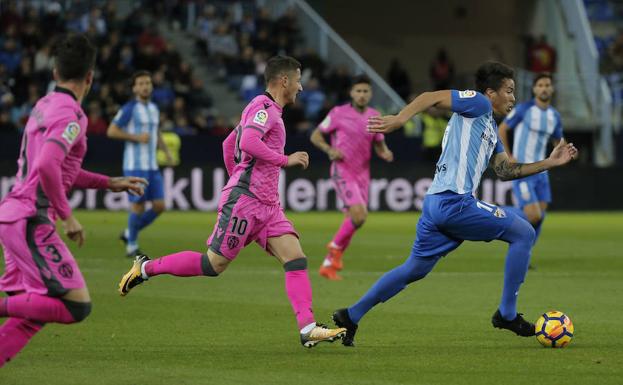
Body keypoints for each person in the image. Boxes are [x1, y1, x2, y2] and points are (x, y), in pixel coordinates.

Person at [331, 62, 578, 347]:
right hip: (453, 203)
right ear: (490, 92)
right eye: (509, 91)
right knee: (524, 233)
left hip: (436, 204)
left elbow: (505, 171)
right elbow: (430, 97)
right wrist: (400, 119)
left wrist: (550, 162)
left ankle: (351, 315)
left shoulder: (490, 128)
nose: (513, 97)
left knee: (414, 269)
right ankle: (507, 314)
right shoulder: (478, 104)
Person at [118, 55, 346, 348]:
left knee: (296, 257)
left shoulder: (266, 110)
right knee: (213, 265)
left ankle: (308, 327)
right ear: (285, 80)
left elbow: (229, 143)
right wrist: (281, 161)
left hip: (268, 205)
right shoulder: (264, 108)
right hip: (247, 202)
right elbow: (247, 142)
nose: (301, 88)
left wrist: (237, 175)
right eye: (299, 80)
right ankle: (146, 268)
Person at [0, 33, 146, 367]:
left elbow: (58, 169)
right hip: (31, 219)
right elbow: (47, 165)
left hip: (12, 215)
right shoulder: (72, 116)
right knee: (75, 305)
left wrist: (108, 182)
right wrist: (68, 217)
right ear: (90, 78)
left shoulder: (43, 105)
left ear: (55, 73)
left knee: (33, 309)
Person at [310, 75, 394, 280]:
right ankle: (335, 248)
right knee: (359, 214)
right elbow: (315, 136)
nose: (362, 95)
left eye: (366, 91)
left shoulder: (375, 116)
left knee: (356, 219)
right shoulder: (338, 113)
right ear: (351, 93)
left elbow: (379, 142)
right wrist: (329, 149)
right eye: (358, 91)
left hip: (363, 174)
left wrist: (384, 151)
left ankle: (328, 265)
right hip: (342, 170)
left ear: (370, 93)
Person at [498, 73, 563, 268]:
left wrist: (567, 151)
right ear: (534, 89)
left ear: (551, 89)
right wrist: (508, 155)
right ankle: (495, 210)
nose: (544, 88)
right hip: (524, 170)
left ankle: (523, 255)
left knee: (539, 216)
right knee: (533, 215)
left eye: (547, 85)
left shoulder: (554, 116)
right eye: (540, 85)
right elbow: (502, 129)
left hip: (542, 172)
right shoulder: (524, 109)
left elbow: (559, 142)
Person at [107, 70, 173, 257]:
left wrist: (166, 151)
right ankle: (132, 246)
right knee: (139, 206)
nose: (145, 86)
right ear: (135, 88)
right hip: (134, 165)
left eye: (148, 83)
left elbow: (156, 132)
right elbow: (111, 131)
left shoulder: (153, 108)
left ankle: (129, 232)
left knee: (160, 206)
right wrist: (135, 137)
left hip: (152, 165)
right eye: (141, 83)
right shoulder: (129, 108)